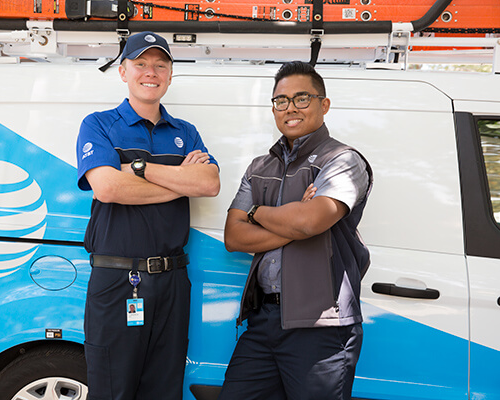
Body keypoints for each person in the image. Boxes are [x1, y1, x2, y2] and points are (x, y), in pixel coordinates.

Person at [76, 31, 220, 400]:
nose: (150, 72)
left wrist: (137, 167)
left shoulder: (185, 132)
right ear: (123, 71)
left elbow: (208, 184)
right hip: (118, 279)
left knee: (164, 389)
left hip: (172, 281)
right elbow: (108, 188)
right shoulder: (99, 124)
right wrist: (179, 181)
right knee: (113, 390)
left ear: (170, 75)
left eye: (160, 65)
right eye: (140, 63)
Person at [218, 61, 372, 400]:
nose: (290, 107)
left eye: (302, 98)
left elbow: (310, 221)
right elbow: (234, 236)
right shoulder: (260, 167)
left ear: (324, 104)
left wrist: (256, 213)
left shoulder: (343, 160)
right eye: (281, 100)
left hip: (321, 325)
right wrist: (292, 224)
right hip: (264, 320)